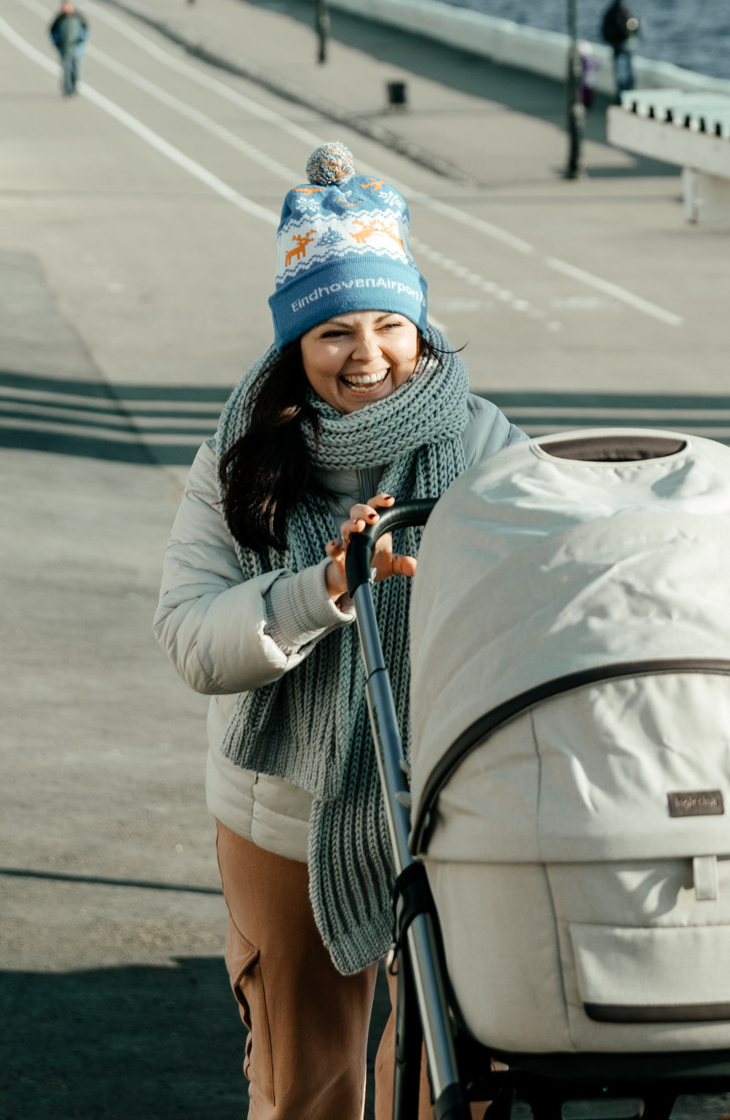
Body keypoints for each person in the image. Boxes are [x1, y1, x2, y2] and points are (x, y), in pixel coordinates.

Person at [155, 142, 526, 1120]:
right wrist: (322, 587)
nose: (367, 355)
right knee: (304, 1087)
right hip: (280, 811)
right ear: (294, 342)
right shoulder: (241, 458)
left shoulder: (483, 442)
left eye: (390, 324)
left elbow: (547, 584)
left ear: (419, 325)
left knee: (452, 1074)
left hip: (448, 799)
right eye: (334, 331)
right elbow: (191, 636)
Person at [598, 0, 641, 95]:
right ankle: (624, 93)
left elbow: (635, 27)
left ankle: (626, 93)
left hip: (625, 45)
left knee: (626, 72)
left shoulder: (624, 12)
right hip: (621, 45)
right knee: (623, 72)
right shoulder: (621, 12)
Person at [48, 0, 89, 97]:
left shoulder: (79, 17)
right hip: (64, 48)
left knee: (75, 69)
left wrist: (81, 39)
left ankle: (74, 86)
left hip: (77, 48)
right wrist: (56, 42)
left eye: (69, 6)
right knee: (66, 69)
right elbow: (52, 31)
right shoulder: (59, 19)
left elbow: (85, 31)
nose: (66, 8)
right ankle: (67, 89)